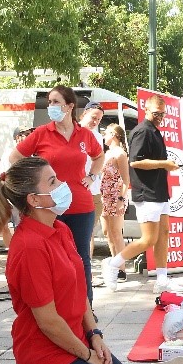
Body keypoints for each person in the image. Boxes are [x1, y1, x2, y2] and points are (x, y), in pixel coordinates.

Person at [0, 156, 143, 364]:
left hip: (75, 337)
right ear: (34, 200)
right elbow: (48, 322)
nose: (62, 185)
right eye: (53, 182)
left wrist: (95, 335)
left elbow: (79, 289)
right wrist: (86, 355)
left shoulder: (60, 229)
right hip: (45, 352)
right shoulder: (29, 247)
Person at [9, 86, 105, 308]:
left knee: (81, 259)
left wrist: (91, 176)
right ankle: (57, 307)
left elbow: (99, 156)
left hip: (80, 206)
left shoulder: (85, 135)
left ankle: (85, 309)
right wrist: (29, 184)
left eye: (55, 101)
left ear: (70, 106)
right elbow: (16, 157)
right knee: (53, 260)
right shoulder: (42, 133)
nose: (50, 106)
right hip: (50, 208)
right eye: (49, 102)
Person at [101, 95, 183, 294]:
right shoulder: (142, 131)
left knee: (163, 235)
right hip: (146, 193)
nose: (160, 117)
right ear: (146, 110)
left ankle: (162, 280)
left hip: (158, 191)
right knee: (148, 239)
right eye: (156, 113)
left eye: (162, 114)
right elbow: (135, 162)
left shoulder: (154, 131)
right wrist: (164, 164)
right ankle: (113, 265)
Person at [100, 123, 131, 282]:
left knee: (116, 232)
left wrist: (120, 199)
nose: (104, 135)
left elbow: (126, 180)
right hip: (104, 197)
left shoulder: (120, 154)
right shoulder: (107, 153)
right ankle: (115, 264)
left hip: (115, 197)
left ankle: (122, 269)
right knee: (107, 232)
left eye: (106, 133)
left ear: (114, 134)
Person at [80, 101, 105, 261]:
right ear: (84, 114)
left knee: (87, 235)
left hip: (93, 192)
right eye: (93, 117)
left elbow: (99, 161)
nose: (95, 122)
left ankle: (85, 273)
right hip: (75, 191)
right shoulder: (73, 131)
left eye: (99, 120)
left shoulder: (97, 136)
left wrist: (92, 177)